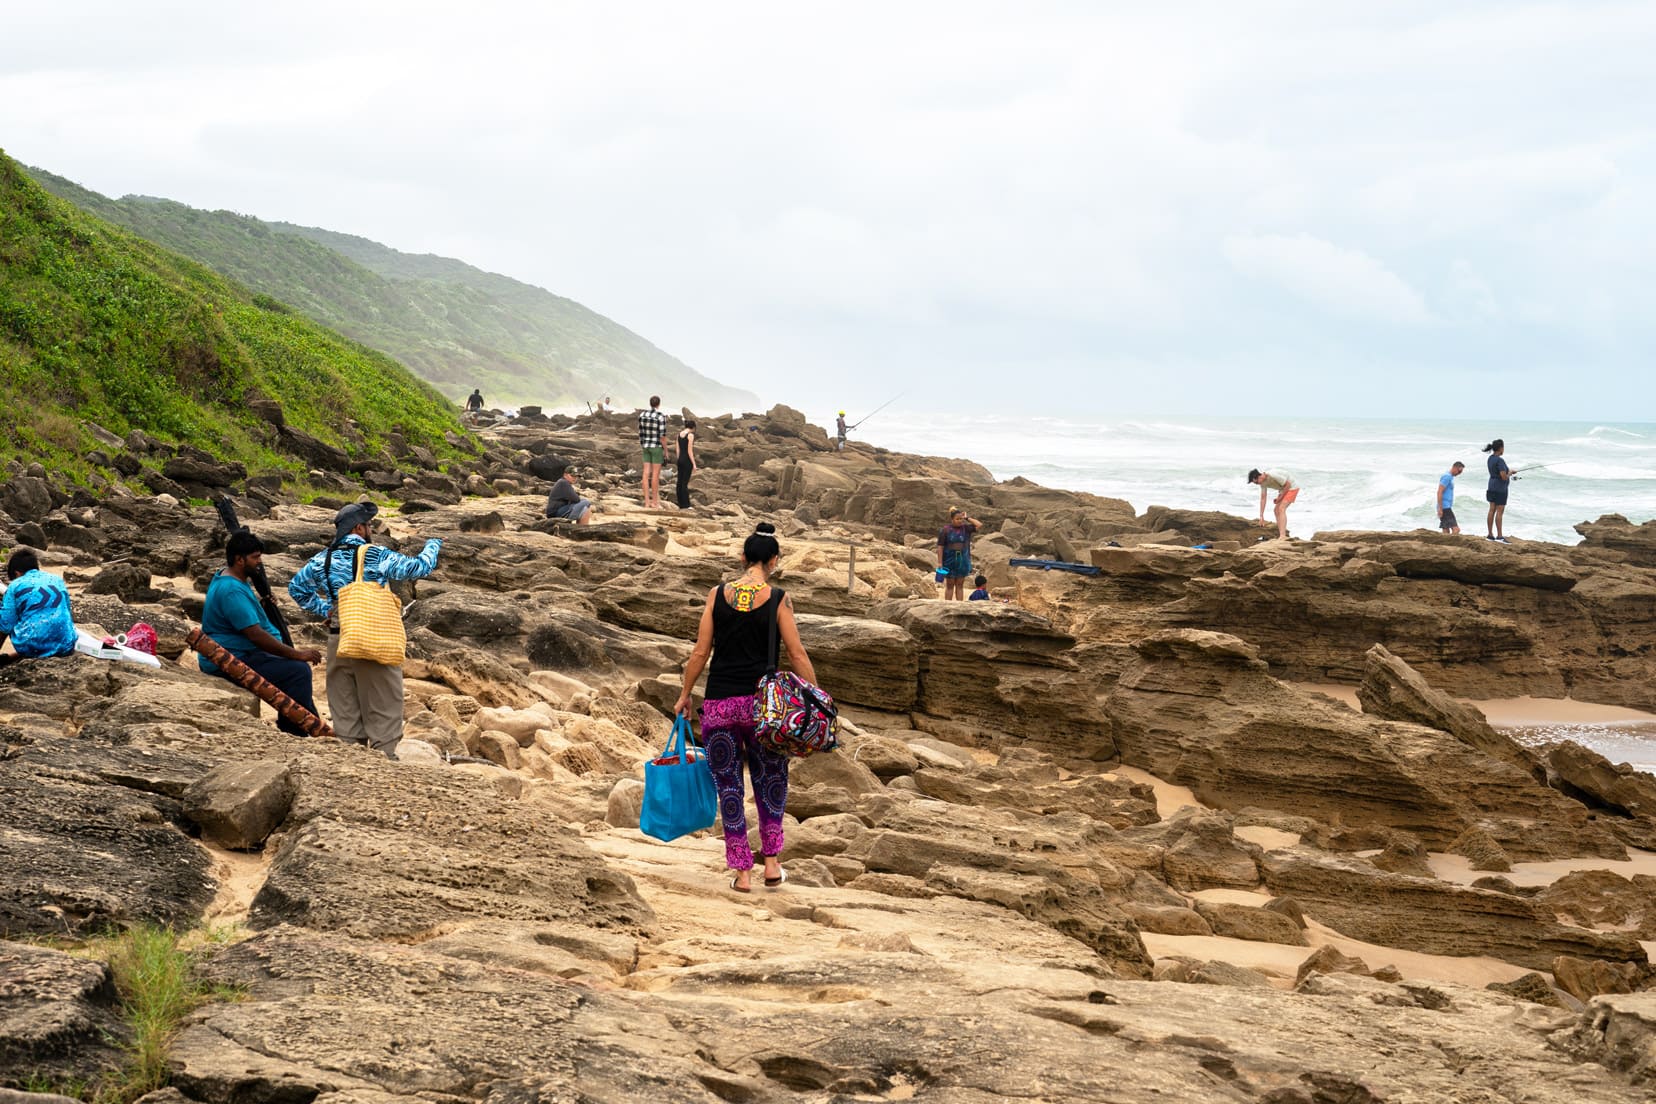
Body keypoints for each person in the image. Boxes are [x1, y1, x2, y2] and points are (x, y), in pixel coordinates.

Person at [673, 523, 819, 893]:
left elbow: (700, 652)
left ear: (742, 558)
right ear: (773, 561)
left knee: (729, 788)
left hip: (720, 705)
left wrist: (685, 693)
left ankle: (741, 872)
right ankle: (771, 865)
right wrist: (816, 697)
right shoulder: (778, 598)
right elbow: (797, 654)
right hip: (763, 708)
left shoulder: (716, 594)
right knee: (770, 782)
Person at [288, 502, 443, 758]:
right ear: (359, 527)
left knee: (346, 714)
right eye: (369, 525)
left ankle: (352, 764)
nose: (370, 529)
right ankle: (385, 765)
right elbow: (419, 568)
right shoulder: (373, 554)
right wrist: (433, 545)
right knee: (384, 710)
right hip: (372, 639)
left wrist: (326, 609)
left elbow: (297, 589)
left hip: (339, 640)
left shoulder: (321, 559)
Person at [200, 532, 323, 736]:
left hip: (240, 652)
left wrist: (264, 607)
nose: (259, 562)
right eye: (255, 557)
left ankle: (309, 721)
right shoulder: (232, 590)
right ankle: (294, 730)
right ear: (240, 560)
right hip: (232, 658)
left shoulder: (231, 578)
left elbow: (244, 620)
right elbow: (255, 635)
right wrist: (298, 654)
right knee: (298, 671)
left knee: (291, 671)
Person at [0, 549, 76, 658]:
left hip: (32, 648)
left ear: (17, 573)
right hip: (66, 645)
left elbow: (5, 625)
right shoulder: (56, 579)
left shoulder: (15, 586)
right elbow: (66, 610)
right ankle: (13, 656)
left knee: (8, 615)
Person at [937, 508, 981, 601]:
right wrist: (940, 562)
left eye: (961, 519)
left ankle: (959, 605)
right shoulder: (945, 530)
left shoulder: (965, 528)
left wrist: (967, 518)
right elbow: (940, 546)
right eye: (957, 519)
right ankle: (947, 605)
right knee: (950, 585)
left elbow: (979, 524)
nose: (960, 521)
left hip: (962, 560)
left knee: (960, 585)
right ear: (952, 519)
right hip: (949, 560)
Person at [1247, 469, 1298, 540]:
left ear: (1259, 477)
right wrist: (1261, 516)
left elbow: (1288, 485)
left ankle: (1283, 536)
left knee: (1281, 509)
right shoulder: (1263, 483)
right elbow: (1263, 498)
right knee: (1276, 510)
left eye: (1256, 483)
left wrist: (1280, 498)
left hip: (1292, 487)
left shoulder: (1272, 475)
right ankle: (1282, 535)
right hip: (1283, 489)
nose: (1257, 484)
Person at [638, 395, 668, 509]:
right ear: (658, 404)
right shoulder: (660, 416)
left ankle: (646, 502)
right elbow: (662, 436)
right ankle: (655, 502)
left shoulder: (642, 415)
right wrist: (666, 451)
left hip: (646, 446)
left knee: (645, 474)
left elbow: (640, 432)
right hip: (656, 447)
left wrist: (643, 444)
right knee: (655, 475)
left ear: (650, 403)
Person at [1483, 439, 1511, 542]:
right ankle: (1499, 536)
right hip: (1500, 488)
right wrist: (1510, 473)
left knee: (1491, 510)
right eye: (1503, 447)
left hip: (1491, 486)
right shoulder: (1500, 460)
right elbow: (1503, 477)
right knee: (1499, 511)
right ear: (1500, 448)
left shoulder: (1490, 458)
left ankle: (1490, 535)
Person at [1436, 461, 1465, 534]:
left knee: (1446, 529)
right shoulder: (1447, 477)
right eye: (1459, 471)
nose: (1459, 473)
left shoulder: (1450, 477)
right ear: (1454, 468)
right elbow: (1439, 492)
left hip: (1445, 506)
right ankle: (1454, 544)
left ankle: (1444, 545)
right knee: (1456, 529)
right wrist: (1440, 508)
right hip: (1445, 506)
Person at [675, 419, 697, 509]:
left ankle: (680, 503)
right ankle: (686, 505)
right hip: (687, 460)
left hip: (680, 459)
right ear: (693, 427)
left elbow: (677, 449)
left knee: (679, 482)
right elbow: (689, 451)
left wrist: (679, 459)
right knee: (685, 483)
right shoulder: (690, 435)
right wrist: (694, 464)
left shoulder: (679, 434)